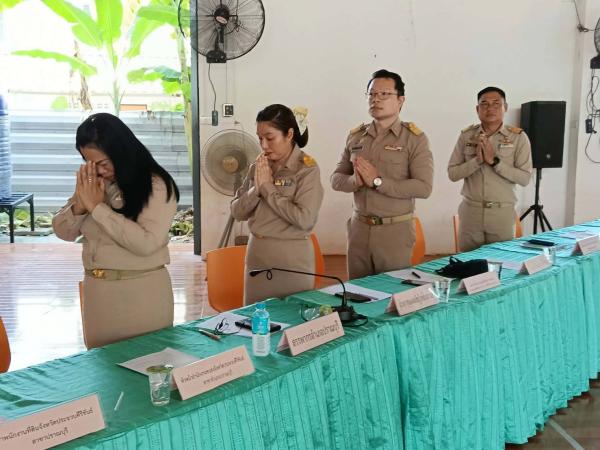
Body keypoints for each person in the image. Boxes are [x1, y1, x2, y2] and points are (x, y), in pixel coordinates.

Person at [52, 113, 179, 349]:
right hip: (98, 293)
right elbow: (63, 231)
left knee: (146, 363)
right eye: (90, 163)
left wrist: (97, 208)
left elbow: (146, 244)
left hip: (141, 293)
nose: (98, 171)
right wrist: (80, 205)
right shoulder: (94, 184)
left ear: (121, 151)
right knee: (102, 365)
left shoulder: (156, 184)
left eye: (102, 163)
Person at [331, 69, 433, 280]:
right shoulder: (356, 137)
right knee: (357, 293)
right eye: (371, 94)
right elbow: (336, 179)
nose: (376, 99)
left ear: (400, 100)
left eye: (384, 94)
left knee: (390, 293)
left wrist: (378, 181)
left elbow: (423, 187)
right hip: (359, 231)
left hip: (394, 232)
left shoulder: (414, 139)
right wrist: (355, 181)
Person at [231, 104, 324, 305]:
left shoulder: (306, 169)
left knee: (292, 319)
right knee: (255, 318)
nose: (264, 145)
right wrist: (256, 190)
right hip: (258, 255)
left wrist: (268, 189)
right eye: (260, 138)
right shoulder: (258, 166)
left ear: (289, 134)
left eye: (270, 138)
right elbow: (237, 212)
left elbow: (305, 219)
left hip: (292, 259)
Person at [448, 86, 532, 252]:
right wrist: (477, 161)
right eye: (484, 104)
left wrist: (495, 162)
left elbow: (524, 178)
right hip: (471, 212)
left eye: (496, 103)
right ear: (477, 109)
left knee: (500, 262)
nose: (490, 108)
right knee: (468, 263)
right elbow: (453, 173)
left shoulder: (518, 138)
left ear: (505, 107)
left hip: (502, 214)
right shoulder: (467, 136)